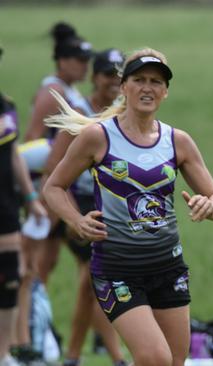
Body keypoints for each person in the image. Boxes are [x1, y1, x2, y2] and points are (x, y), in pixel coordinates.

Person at [42, 48, 213, 366]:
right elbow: (54, 187)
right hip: (118, 269)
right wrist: (76, 220)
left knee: (174, 359)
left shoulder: (177, 141)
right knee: (154, 357)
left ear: (165, 91)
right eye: (139, 79)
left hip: (168, 268)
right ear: (124, 86)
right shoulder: (97, 137)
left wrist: (207, 205)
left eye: (156, 82)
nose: (147, 88)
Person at [12, 22, 93, 362]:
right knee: (35, 267)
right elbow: (30, 143)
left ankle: (39, 333)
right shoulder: (51, 93)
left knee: (49, 264)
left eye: (86, 59)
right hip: (50, 191)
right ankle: (29, 333)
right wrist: (36, 196)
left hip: (67, 188)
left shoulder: (71, 92)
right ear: (61, 61)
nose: (83, 66)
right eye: (77, 59)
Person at [42, 48, 128, 366]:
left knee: (90, 286)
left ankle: (75, 357)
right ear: (95, 78)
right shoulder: (79, 114)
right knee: (92, 282)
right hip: (79, 207)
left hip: (110, 207)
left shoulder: (126, 114)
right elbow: (54, 167)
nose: (114, 82)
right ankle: (114, 357)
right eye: (108, 75)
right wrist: (65, 216)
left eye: (120, 76)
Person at [0, 46, 47, 366]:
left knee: (10, 277)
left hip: (6, 204)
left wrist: (31, 199)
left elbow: (14, 152)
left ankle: (2, 353)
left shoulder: (7, 105)